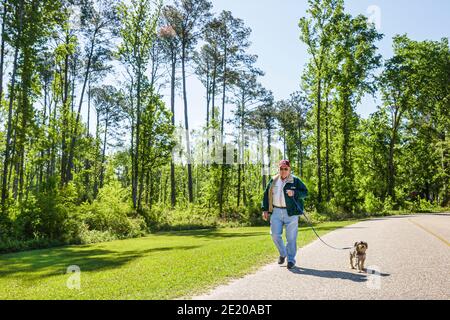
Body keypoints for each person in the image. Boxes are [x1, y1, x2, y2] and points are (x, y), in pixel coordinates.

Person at [262, 160, 308, 269]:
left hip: (291, 213)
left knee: (291, 238)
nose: (283, 171)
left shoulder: (295, 181)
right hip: (276, 211)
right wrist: (265, 209)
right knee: (274, 234)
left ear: (289, 169)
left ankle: (291, 260)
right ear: (279, 169)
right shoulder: (273, 180)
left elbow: (305, 192)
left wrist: (295, 193)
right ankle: (283, 254)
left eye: (285, 169)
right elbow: (266, 195)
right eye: (281, 169)